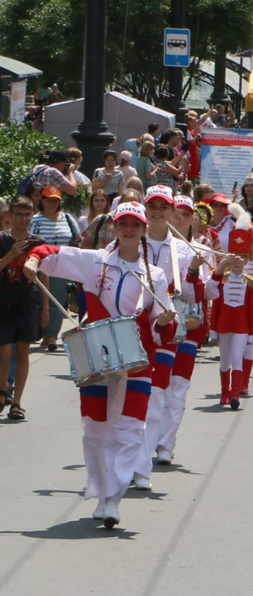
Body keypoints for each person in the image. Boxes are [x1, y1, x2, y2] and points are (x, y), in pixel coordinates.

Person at [23, 202, 176, 528]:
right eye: (123, 223)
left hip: (137, 361)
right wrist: (35, 260)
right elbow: (50, 251)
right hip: (97, 356)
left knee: (130, 430)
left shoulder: (156, 275)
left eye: (135, 224)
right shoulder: (95, 263)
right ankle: (104, 491)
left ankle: (113, 497)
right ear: (115, 227)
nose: (129, 230)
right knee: (95, 430)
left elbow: (164, 327)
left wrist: (164, 320)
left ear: (144, 229)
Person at [135, 186, 206, 482]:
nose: (159, 212)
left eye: (164, 207)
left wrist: (193, 271)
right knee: (129, 398)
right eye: (152, 206)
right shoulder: (130, 240)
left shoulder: (185, 250)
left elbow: (191, 295)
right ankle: (127, 459)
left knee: (161, 394)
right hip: (133, 329)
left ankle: (146, 462)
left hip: (167, 330)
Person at [208, 206, 253, 410]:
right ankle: (225, 393)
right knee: (224, 361)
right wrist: (213, 329)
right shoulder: (222, 280)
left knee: (237, 358)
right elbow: (215, 305)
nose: (238, 262)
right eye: (234, 257)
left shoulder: (251, 282)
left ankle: (235, 393)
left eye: (241, 258)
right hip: (224, 325)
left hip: (243, 327)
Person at [0, 197, 44, 420]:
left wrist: (45, 308)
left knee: (23, 352)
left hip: (28, 302)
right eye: (19, 214)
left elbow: (44, 275)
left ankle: (17, 402)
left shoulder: (37, 242)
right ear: (10, 215)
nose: (24, 219)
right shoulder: (2, 240)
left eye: (28, 214)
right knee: (5, 352)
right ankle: (2, 391)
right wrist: (11, 255)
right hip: (4, 303)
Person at [30, 185, 80, 351]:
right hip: (39, 265)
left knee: (57, 301)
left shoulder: (67, 219)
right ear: (42, 200)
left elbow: (77, 239)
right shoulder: (35, 220)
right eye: (49, 200)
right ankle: (38, 331)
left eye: (55, 200)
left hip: (60, 265)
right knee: (37, 301)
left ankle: (51, 335)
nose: (52, 203)